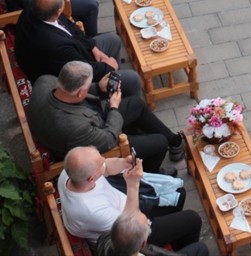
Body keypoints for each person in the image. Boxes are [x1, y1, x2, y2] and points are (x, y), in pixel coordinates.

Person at [27, 60, 185, 171]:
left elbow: (73, 91)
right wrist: (114, 107)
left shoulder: (44, 81)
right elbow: (108, 139)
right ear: (80, 93)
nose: (89, 87)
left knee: (136, 104)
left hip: (85, 120)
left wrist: (97, 87)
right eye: (88, 86)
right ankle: (150, 176)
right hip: (91, 145)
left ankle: (175, 142)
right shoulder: (75, 127)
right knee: (159, 142)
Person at [58, 147, 202, 250]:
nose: (104, 162)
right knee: (193, 219)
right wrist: (133, 185)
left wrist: (123, 162)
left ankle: (174, 238)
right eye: (100, 164)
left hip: (123, 210)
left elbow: (106, 167)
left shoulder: (71, 173)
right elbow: (130, 224)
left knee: (179, 193)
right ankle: (179, 249)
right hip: (126, 238)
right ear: (91, 178)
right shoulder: (91, 210)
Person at [14, 0, 142, 98]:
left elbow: (71, 28)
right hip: (69, 83)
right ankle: (121, 102)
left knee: (113, 40)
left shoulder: (35, 9)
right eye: (63, 0)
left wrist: (94, 48)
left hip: (72, 56)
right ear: (58, 11)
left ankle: (115, 82)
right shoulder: (56, 46)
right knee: (133, 79)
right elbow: (82, 70)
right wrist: (108, 66)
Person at [96, 211, 209, 256]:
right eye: (148, 225)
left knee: (192, 220)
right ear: (143, 243)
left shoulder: (104, 239)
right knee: (201, 248)